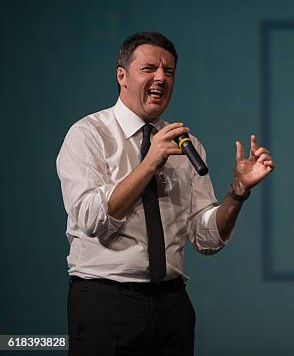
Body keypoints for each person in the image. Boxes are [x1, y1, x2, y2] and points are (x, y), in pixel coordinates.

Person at [56, 31, 274, 355]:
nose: (161, 78)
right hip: (106, 303)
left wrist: (237, 192)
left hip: (171, 305)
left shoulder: (188, 145)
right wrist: (148, 163)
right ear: (122, 76)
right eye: (149, 69)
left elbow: (206, 237)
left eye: (168, 71)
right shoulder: (89, 135)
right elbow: (90, 218)